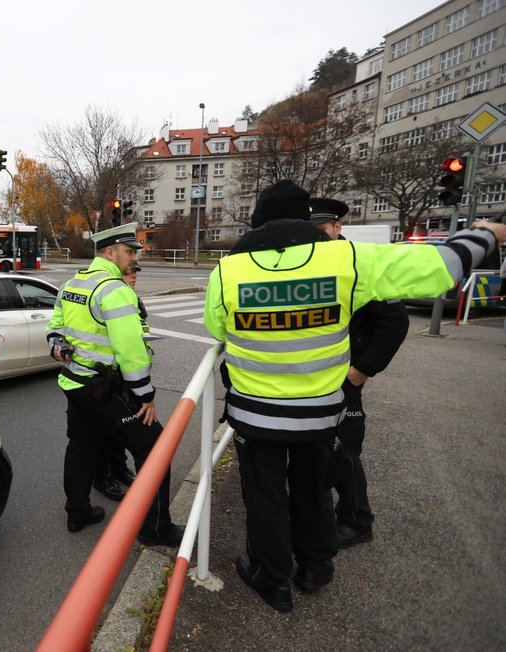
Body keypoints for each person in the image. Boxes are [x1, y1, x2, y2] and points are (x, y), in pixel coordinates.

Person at [203, 180, 506, 613]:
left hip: (257, 416)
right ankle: (315, 569)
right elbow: (441, 265)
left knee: (265, 499)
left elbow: (217, 328)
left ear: (257, 223)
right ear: (306, 218)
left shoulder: (227, 271)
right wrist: (487, 233)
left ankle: (273, 582)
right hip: (321, 414)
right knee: (314, 491)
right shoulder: (347, 257)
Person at [47, 223, 183, 547]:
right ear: (110, 252)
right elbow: (130, 350)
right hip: (104, 387)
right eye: (129, 251)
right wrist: (145, 395)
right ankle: (155, 528)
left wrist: (56, 345)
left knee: (80, 446)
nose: (134, 257)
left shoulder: (72, 284)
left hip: (75, 382)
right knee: (154, 448)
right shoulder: (114, 288)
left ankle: (77, 511)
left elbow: (55, 328)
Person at [310, 197, 409, 549]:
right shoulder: (312, 264)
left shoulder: (362, 264)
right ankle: (324, 512)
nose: (317, 240)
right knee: (321, 449)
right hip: (317, 378)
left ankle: (356, 519)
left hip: (345, 377)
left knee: (344, 449)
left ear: (338, 228)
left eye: (322, 231)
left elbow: (394, 325)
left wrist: (361, 371)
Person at [91, 263, 147, 502]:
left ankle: (119, 468)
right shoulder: (112, 295)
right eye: (128, 272)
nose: (132, 276)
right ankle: (102, 477)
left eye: (135, 272)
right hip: (109, 376)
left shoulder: (132, 297)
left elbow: (140, 330)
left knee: (119, 431)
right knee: (105, 431)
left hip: (128, 376)